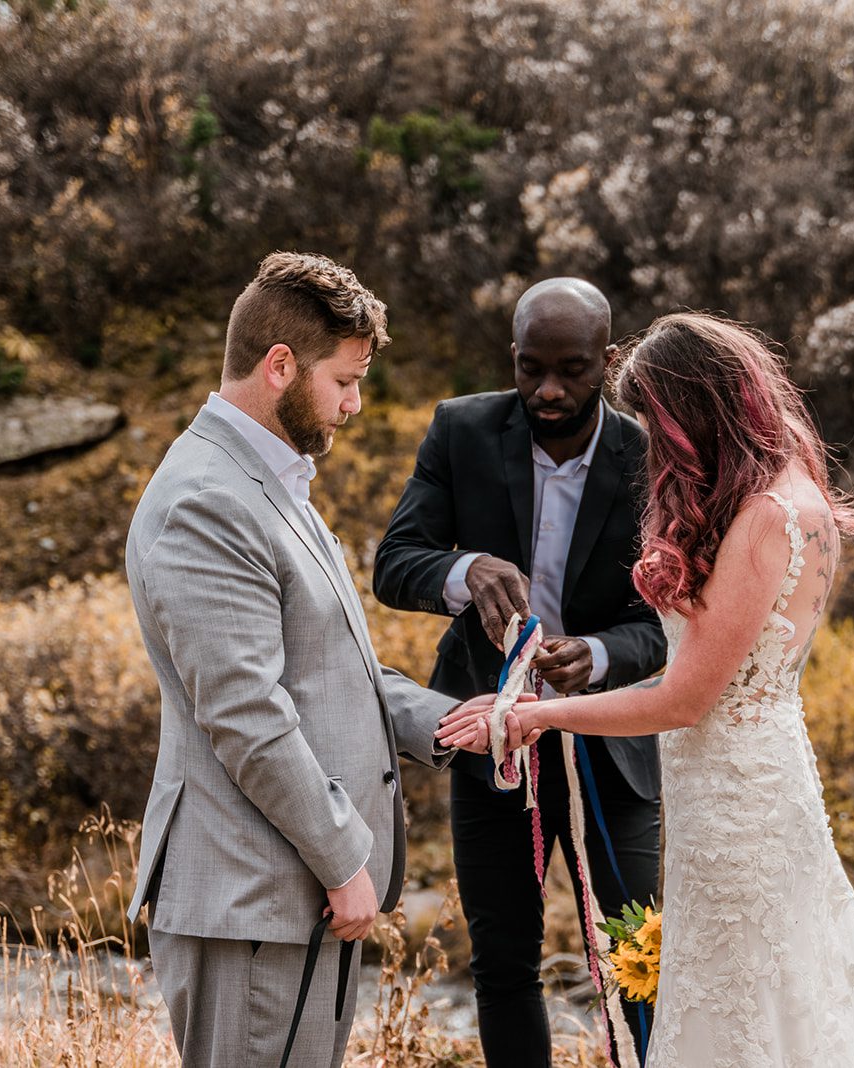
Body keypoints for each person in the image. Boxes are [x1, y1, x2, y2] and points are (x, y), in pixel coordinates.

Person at [438, 312, 854, 1067]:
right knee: (779, 993)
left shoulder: (767, 517)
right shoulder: (793, 494)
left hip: (739, 800)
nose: (655, 445)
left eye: (658, 423)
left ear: (702, 409)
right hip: (748, 777)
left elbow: (684, 698)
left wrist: (535, 715)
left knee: (744, 1005)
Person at [122, 252, 519, 1068]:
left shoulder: (267, 482)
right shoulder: (209, 499)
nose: (356, 402)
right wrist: (345, 861)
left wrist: (443, 720)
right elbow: (246, 714)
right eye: (344, 380)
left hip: (284, 895)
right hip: (251, 899)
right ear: (279, 367)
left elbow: (327, 669)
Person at [373, 278, 667, 1067]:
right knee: (503, 966)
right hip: (491, 743)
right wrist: (464, 570)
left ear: (609, 360)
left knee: (640, 958)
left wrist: (599, 656)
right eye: (530, 367)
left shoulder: (649, 458)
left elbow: (667, 627)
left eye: (571, 370)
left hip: (610, 747)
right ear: (512, 355)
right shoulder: (460, 430)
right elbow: (394, 564)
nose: (547, 390)